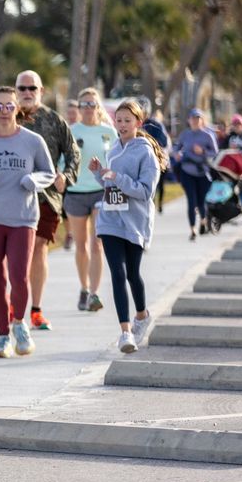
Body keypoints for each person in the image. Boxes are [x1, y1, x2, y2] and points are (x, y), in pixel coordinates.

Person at [0, 86, 55, 359]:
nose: (4, 111)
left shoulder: (31, 141)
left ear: (18, 108)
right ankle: (3, 336)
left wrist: (35, 181)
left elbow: (49, 172)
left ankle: (20, 323)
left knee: (19, 277)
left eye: (9, 106)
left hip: (23, 218)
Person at [88, 99, 164, 353]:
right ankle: (125, 333)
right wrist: (100, 173)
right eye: (118, 120)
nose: (121, 125)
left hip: (135, 222)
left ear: (138, 123)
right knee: (118, 275)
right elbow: (110, 187)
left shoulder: (145, 152)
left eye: (126, 121)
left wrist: (115, 176)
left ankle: (141, 315)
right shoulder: (113, 149)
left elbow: (145, 191)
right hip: (110, 220)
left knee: (133, 274)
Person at [15, 70, 78, 332]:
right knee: (16, 255)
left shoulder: (55, 120)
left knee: (39, 247)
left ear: (41, 91)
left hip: (46, 197)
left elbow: (73, 153)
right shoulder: (7, 118)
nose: (27, 93)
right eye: (22, 88)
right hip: (12, 197)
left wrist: (66, 175)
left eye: (33, 88)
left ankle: (36, 310)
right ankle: (15, 305)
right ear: (16, 91)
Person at [65, 87, 115, 313]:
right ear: (79, 107)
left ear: (98, 107)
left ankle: (94, 294)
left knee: (97, 243)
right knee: (81, 244)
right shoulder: (71, 131)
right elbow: (61, 161)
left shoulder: (109, 132)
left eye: (92, 104)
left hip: (100, 191)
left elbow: (117, 159)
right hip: (75, 192)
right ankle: (83, 288)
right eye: (83, 104)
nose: (87, 108)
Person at [171, 108, 218, 240]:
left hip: (202, 172)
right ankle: (193, 229)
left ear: (202, 120)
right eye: (193, 118)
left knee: (201, 201)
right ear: (189, 120)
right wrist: (177, 154)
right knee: (191, 201)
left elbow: (214, 152)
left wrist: (202, 151)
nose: (195, 121)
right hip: (187, 171)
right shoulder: (185, 134)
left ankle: (203, 220)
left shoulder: (208, 135)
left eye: (198, 118)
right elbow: (176, 147)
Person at [138, 97, 170, 214]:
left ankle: (156, 205)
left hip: (152, 162)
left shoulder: (155, 125)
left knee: (155, 187)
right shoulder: (130, 123)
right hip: (135, 164)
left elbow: (164, 142)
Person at [220, 114, 242, 205]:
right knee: (230, 187)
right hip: (231, 168)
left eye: (239, 124)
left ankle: (240, 207)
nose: (237, 126)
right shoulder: (229, 137)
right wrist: (229, 149)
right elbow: (222, 149)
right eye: (235, 125)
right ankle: (230, 206)